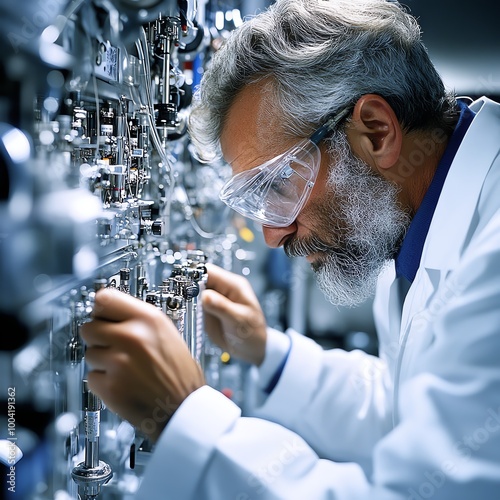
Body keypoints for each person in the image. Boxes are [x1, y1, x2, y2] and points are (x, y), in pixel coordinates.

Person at [80, 0, 500, 497]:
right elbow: (402, 411)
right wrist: (267, 351)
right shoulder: (410, 232)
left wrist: (185, 418)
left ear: (375, 131)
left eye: (279, 183)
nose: (273, 235)